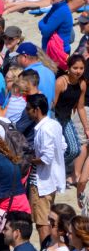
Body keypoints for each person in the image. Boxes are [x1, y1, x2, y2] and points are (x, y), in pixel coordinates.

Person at [27, 94, 67, 243]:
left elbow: (45, 158)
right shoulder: (54, 124)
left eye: (28, 109)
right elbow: (63, 147)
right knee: (47, 218)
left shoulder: (44, 129)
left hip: (41, 182)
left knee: (42, 222)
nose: (26, 112)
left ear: (36, 110)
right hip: (52, 179)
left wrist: (29, 160)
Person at [53, 54, 88, 188]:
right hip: (55, 118)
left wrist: (86, 128)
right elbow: (52, 104)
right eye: (75, 68)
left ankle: (55, 167)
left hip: (66, 119)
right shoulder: (61, 82)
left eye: (81, 68)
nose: (78, 71)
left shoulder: (82, 84)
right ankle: (55, 172)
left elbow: (80, 107)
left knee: (74, 150)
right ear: (68, 68)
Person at [38, 0, 75, 70]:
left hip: (58, 52)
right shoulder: (56, 7)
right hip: (53, 51)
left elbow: (45, 31)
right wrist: (44, 25)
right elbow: (41, 22)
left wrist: (44, 25)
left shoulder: (61, 11)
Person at [17, 42, 57, 107]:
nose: (16, 59)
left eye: (18, 56)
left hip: (32, 115)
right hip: (47, 115)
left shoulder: (26, 75)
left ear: (24, 57)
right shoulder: (50, 72)